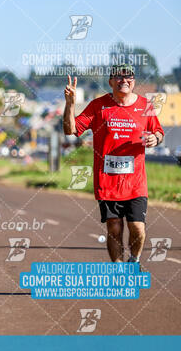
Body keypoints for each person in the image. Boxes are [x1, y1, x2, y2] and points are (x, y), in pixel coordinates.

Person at [63, 64, 164, 266]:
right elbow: (70, 129)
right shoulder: (98, 106)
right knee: (114, 228)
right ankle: (118, 269)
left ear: (134, 81)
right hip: (107, 183)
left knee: (138, 228)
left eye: (129, 77)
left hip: (136, 183)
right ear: (110, 81)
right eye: (119, 77)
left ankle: (133, 261)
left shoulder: (145, 106)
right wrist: (70, 104)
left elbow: (159, 132)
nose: (124, 81)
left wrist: (155, 138)